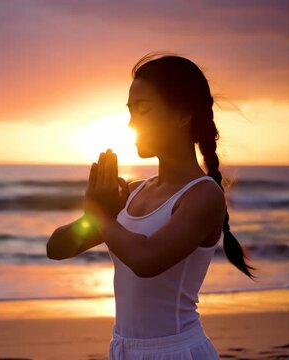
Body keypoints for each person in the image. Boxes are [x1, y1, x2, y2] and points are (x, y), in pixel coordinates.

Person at [46, 51, 257, 359]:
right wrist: (97, 215)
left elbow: (147, 260)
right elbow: (57, 248)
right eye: (130, 111)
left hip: (176, 351)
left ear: (183, 114)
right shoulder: (133, 193)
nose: (132, 124)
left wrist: (101, 216)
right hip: (123, 350)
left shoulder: (203, 195)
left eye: (143, 110)